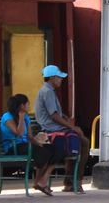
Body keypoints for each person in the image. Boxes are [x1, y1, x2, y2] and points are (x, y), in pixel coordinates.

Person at [35, 64, 90, 193]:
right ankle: (74, 182)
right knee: (83, 142)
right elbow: (53, 116)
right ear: (52, 78)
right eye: (59, 77)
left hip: (52, 128)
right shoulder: (47, 92)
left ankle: (70, 182)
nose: (61, 79)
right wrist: (73, 127)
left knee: (77, 143)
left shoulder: (48, 91)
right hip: (51, 130)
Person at [0, 93, 65, 197]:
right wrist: (21, 118)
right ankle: (38, 183)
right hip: (13, 147)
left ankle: (42, 181)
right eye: (27, 104)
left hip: (26, 145)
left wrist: (40, 144)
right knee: (42, 152)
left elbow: (29, 136)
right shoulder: (7, 117)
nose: (29, 106)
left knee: (56, 150)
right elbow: (20, 134)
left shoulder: (26, 117)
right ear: (22, 106)